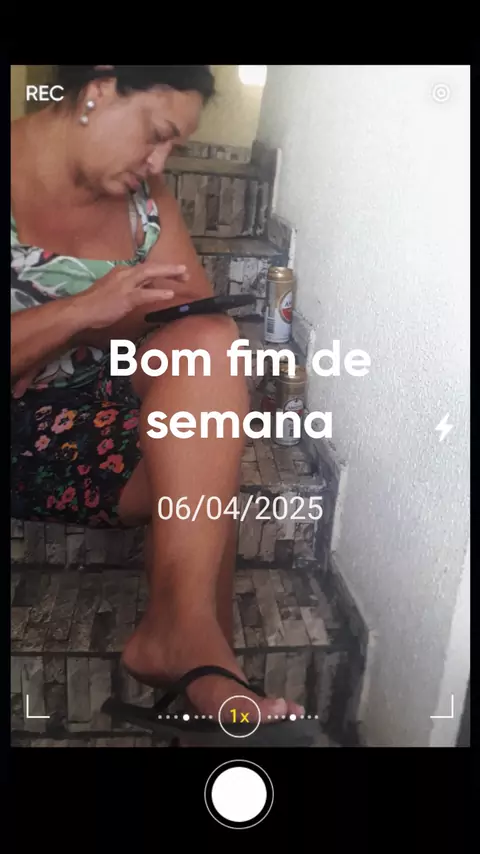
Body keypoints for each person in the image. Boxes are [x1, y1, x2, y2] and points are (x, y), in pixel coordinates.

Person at [11, 65, 303, 735]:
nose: (159, 162)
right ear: (99, 89)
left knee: (210, 343)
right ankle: (202, 660)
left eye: (174, 147)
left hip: (107, 402)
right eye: (157, 134)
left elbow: (183, 310)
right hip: (25, 431)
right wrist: (78, 311)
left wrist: (122, 322)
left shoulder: (143, 197)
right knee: (204, 467)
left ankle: (187, 639)